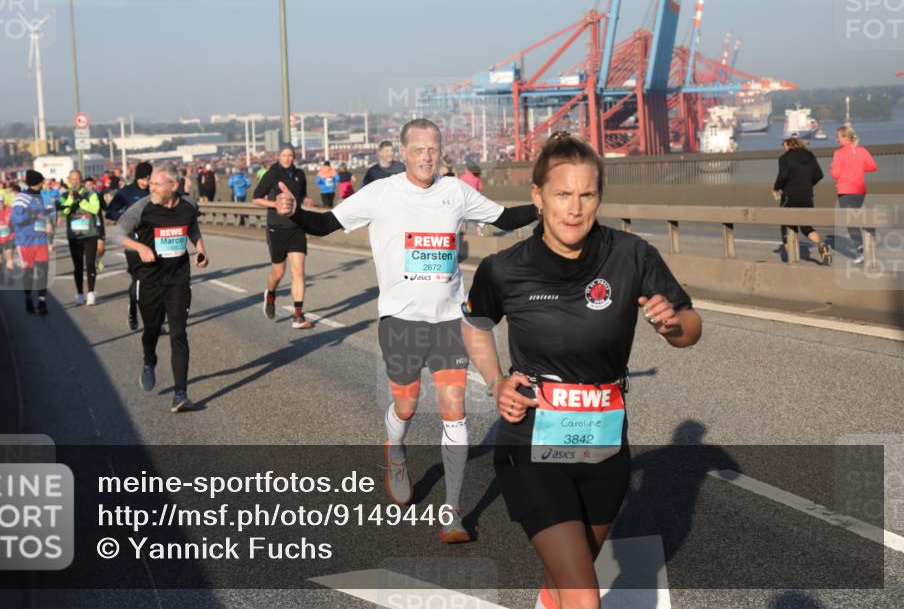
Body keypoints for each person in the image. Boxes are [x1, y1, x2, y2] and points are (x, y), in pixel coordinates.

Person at [460, 132, 702, 609]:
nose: (574, 208)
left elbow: (691, 327)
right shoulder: (505, 268)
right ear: (538, 197)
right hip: (531, 443)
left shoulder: (632, 256)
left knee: (566, 583)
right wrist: (495, 382)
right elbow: (474, 323)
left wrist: (671, 325)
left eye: (586, 195)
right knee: (585, 598)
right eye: (562, 194)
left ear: (599, 197)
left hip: (604, 444)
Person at [275, 118, 539, 543]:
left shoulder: (454, 191)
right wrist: (295, 215)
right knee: (408, 406)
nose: (427, 156)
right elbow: (326, 225)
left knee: (455, 410)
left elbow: (505, 218)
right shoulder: (381, 193)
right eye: (418, 149)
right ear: (403, 153)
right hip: (401, 320)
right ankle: (395, 451)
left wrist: (546, 207)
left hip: (451, 320)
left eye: (433, 148)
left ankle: (452, 515)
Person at [117, 164, 208, 413]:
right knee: (152, 330)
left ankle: (180, 393)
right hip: (150, 279)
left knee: (178, 332)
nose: (151, 187)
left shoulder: (189, 205)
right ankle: (149, 359)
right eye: (151, 183)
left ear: (173, 186)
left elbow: (192, 227)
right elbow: (118, 234)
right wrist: (140, 248)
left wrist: (200, 248)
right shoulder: (143, 207)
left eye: (157, 184)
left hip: (178, 279)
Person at [253, 144, 314, 330]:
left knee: (299, 271)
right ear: (278, 156)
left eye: (290, 155)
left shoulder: (300, 174)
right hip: (277, 227)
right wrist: (276, 204)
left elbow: (301, 194)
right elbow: (256, 198)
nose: (287, 158)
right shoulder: (271, 173)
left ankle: (297, 315)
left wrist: (305, 200)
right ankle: (270, 294)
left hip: (296, 226)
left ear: (294, 157)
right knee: (278, 272)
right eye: (284, 155)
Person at [107, 161, 153, 330]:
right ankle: (133, 309)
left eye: (149, 178)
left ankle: (155, 318)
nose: (146, 182)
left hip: (155, 243)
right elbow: (110, 211)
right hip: (133, 243)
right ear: (137, 177)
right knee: (139, 281)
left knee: (157, 283)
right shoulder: (126, 193)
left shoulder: (156, 191)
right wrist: (126, 216)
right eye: (143, 178)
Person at [772, 137, 832, 265]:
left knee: (786, 226)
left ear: (788, 145)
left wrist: (776, 188)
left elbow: (783, 176)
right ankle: (821, 245)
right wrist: (808, 184)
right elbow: (819, 175)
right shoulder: (810, 156)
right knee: (806, 227)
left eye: (784, 145)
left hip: (789, 196)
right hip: (807, 196)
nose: (783, 147)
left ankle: (792, 261)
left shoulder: (785, 158)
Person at [830, 125, 879, 265]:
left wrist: (834, 167)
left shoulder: (838, 154)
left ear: (845, 137)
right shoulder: (862, 150)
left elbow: (835, 174)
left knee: (850, 221)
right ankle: (870, 238)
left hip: (846, 190)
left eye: (838, 136)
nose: (836, 139)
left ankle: (861, 249)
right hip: (860, 190)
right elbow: (873, 167)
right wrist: (857, 168)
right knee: (857, 217)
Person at [11, 170, 53, 315]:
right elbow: (16, 219)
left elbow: (48, 213)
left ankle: (42, 301)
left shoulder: (43, 196)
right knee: (28, 271)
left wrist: (50, 216)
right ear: (38, 182)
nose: (43, 183)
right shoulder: (21, 198)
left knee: (43, 269)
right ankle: (28, 297)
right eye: (42, 181)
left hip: (40, 239)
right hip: (25, 241)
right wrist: (33, 215)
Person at [60, 170, 103, 306]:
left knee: (90, 263)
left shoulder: (91, 194)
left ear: (81, 180)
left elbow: (95, 209)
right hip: (74, 236)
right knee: (77, 265)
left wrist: (81, 200)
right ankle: (80, 293)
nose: (74, 182)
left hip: (90, 234)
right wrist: (71, 198)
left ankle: (90, 292)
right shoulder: (64, 195)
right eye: (72, 179)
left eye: (77, 179)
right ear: (68, 180)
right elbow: (64, 211)